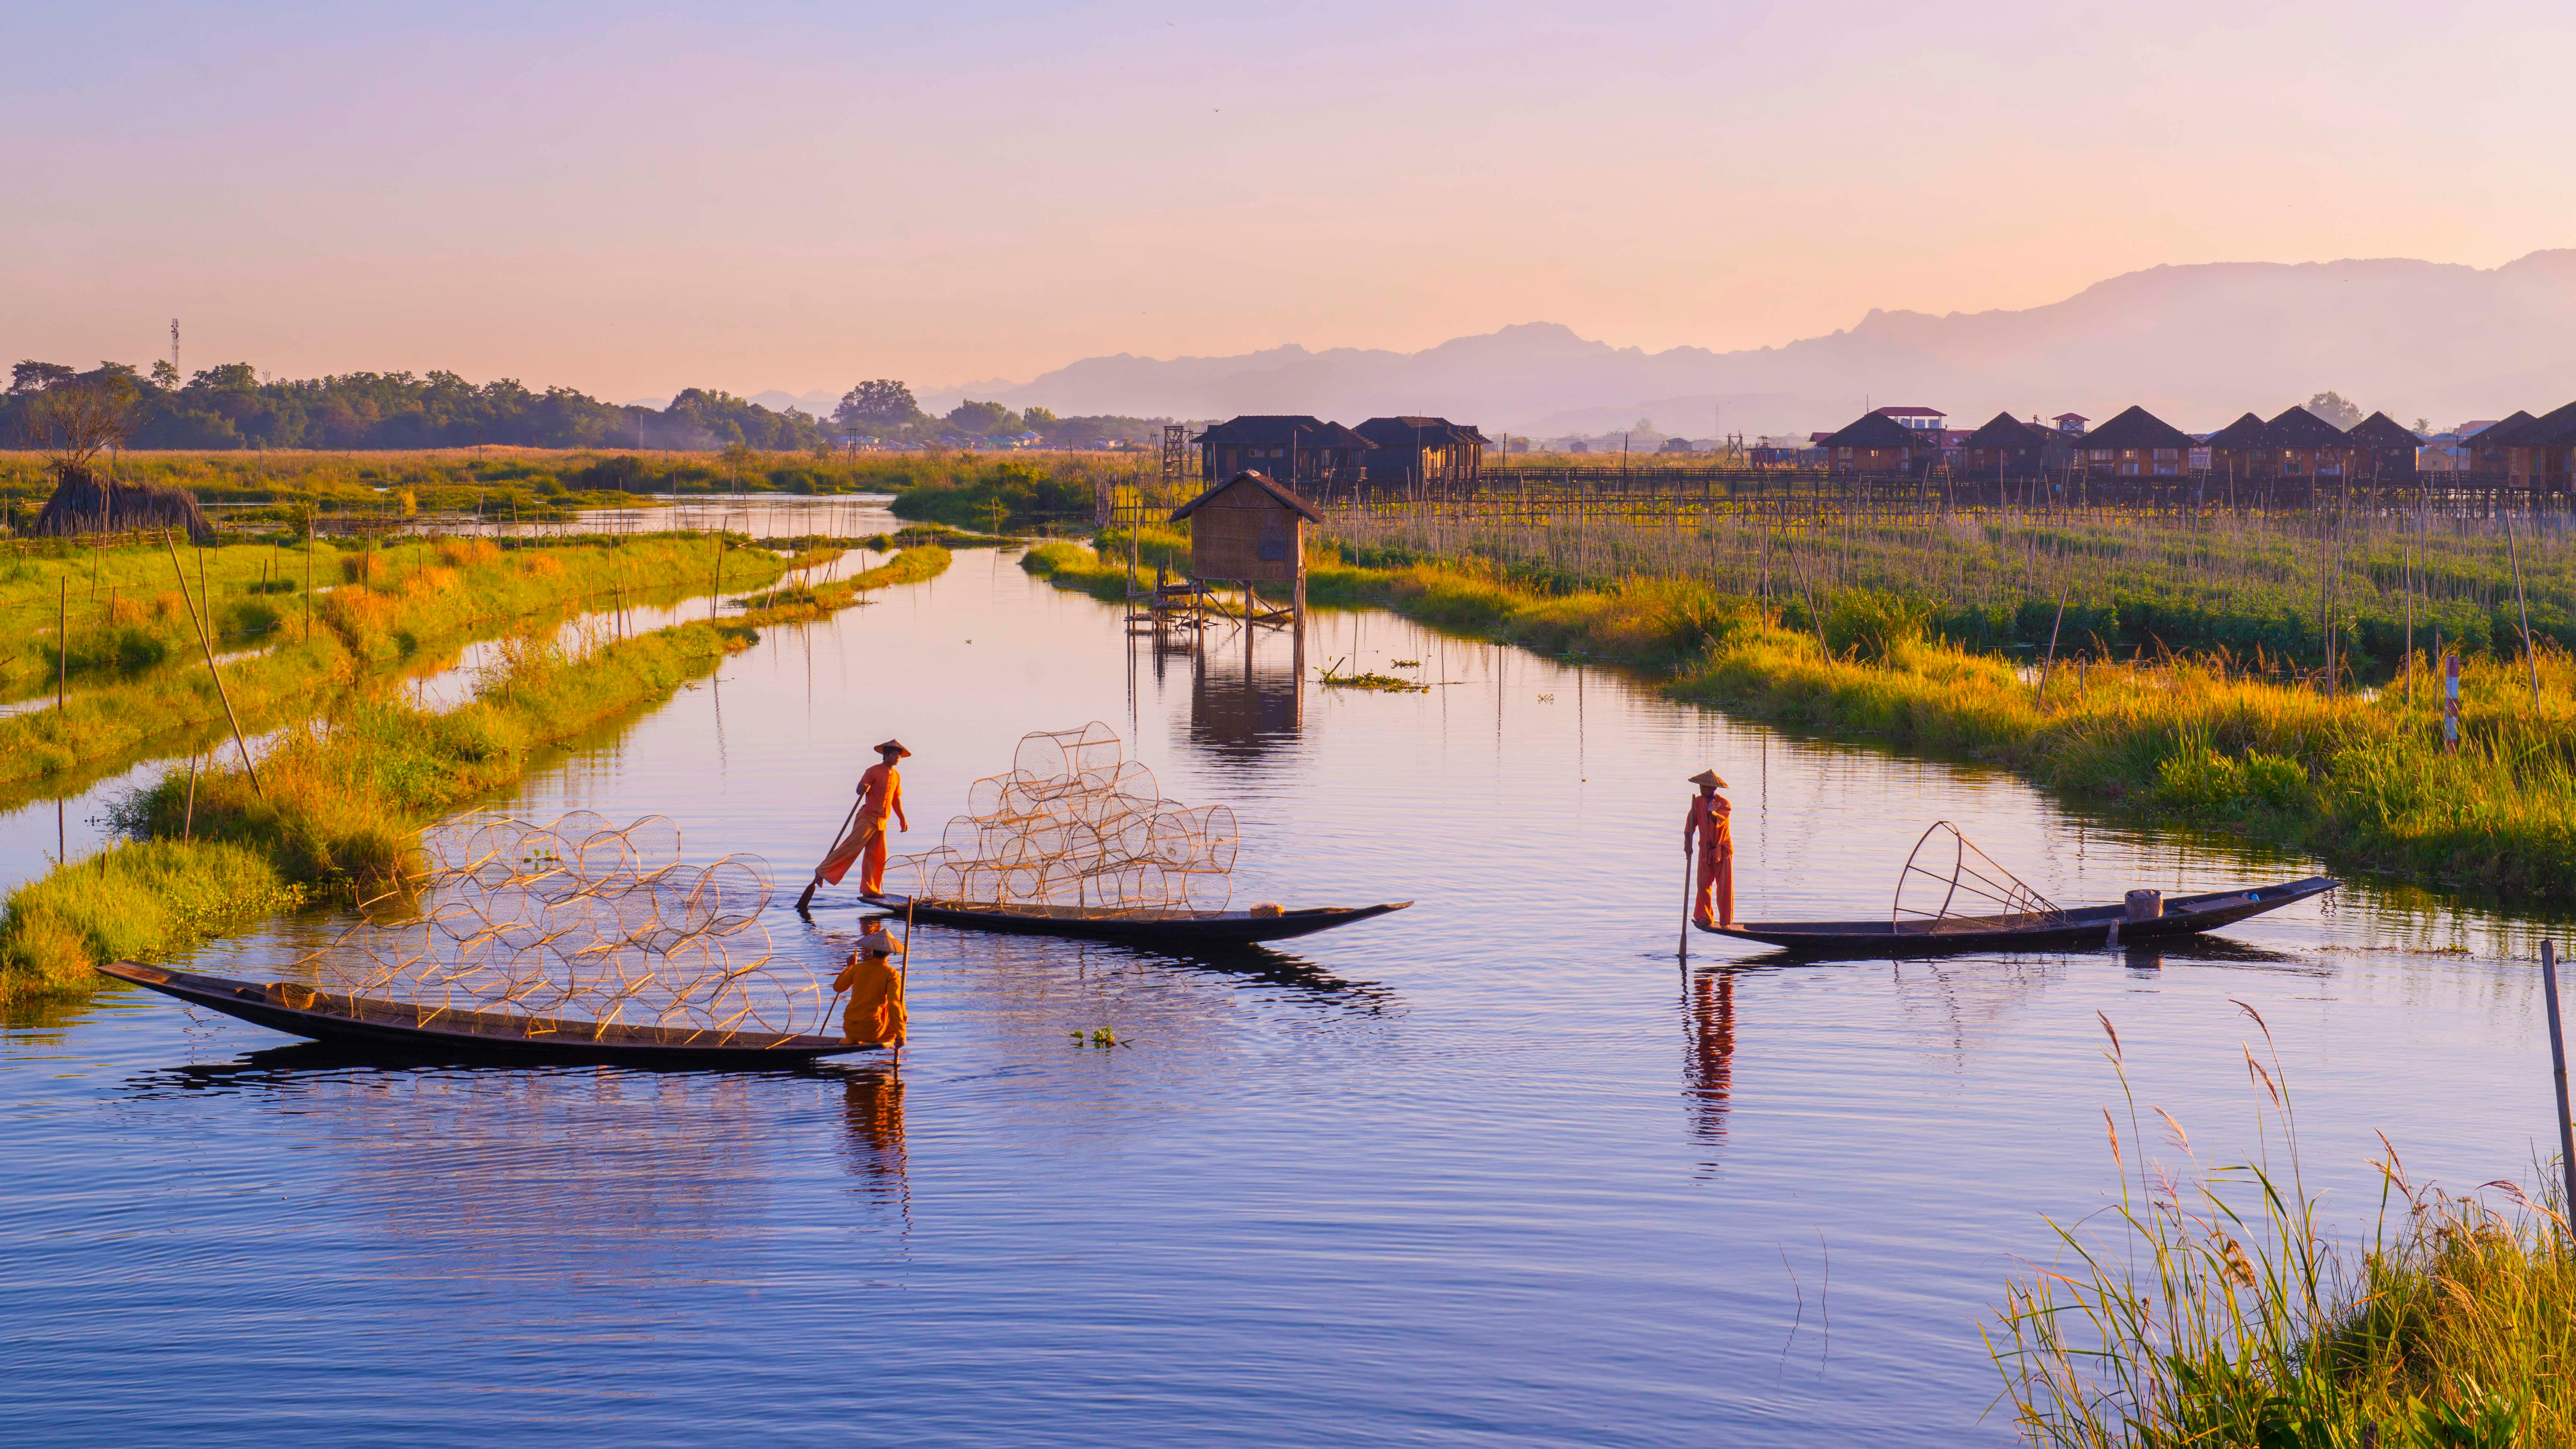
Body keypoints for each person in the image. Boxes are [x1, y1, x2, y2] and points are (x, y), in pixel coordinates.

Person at [813, 739, 911, 900]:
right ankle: (822, 871)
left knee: (878, 856)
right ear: (886, 755)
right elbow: (859, 789)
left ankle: (870, 889)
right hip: (867, 818)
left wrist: (902, 818)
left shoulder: (897, 776)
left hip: (882, 822)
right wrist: (863, 788)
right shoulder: (873, 771)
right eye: (895, 754)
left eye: (899, 755)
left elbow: (896, 799)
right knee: (851, 847)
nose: (898, 757)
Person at [834, 914, 908, 1050]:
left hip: (850, 1029)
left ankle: (853, 1039)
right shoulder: (891, 973)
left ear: (873, 951)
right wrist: (901, 1033)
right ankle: (892, 1037)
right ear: (889, 953)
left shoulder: (857, 968)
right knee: (897, 1002)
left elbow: (838, 987)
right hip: (872, 1031)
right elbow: (894, 1005)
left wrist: (850, 967)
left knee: (889, 1002)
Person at [1682, 769, 1735, 930]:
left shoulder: (1724, 803)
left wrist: (1712, 813)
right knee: (1703, 885)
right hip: (1705, 851)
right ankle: (1704, 917)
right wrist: (1688, 846)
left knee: (1724, 886)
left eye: (1704, 786)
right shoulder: (1697, 802)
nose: (1701, 789)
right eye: (1700, 786)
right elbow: (1690, 826)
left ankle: (1725, 921)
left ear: (1713, 789)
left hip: (1722, 851)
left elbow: (1721, 821)